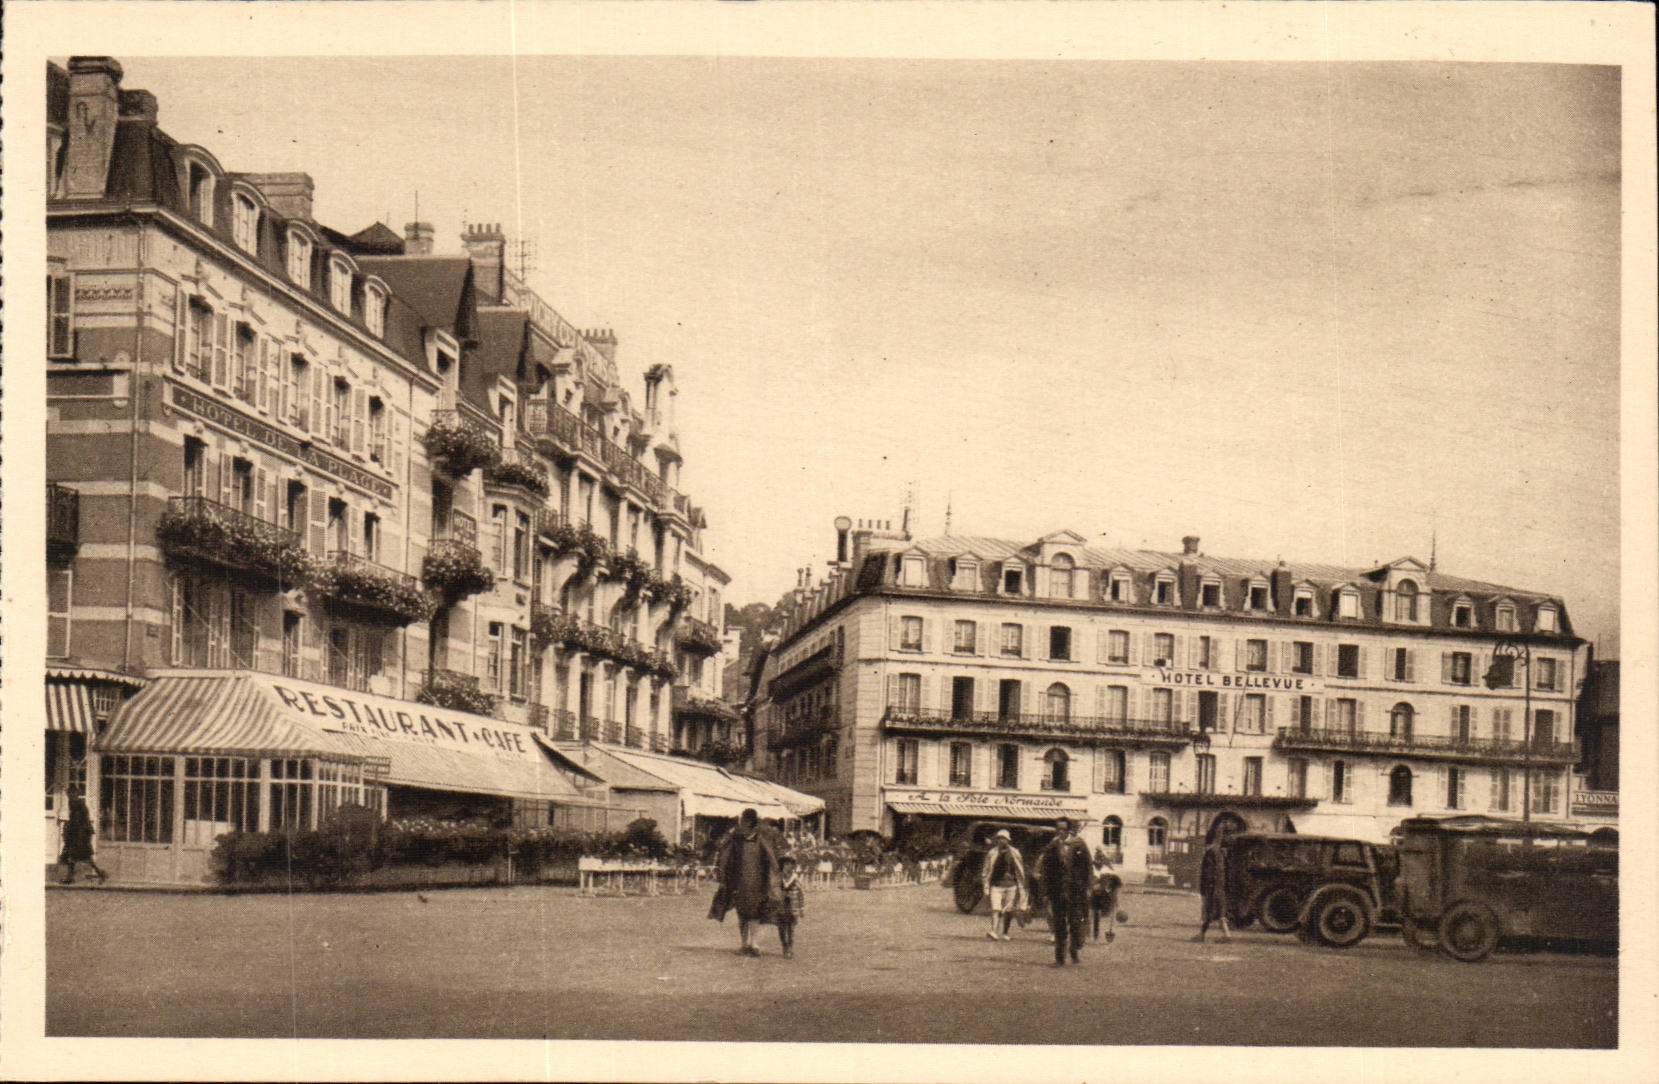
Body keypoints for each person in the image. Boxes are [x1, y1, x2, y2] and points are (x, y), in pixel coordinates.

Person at [712, 808, 783, 956]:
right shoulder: (736, 839)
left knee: (755, 912)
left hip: (757, 882)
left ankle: (754, 944)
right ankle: (744, 944)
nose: (741, 823)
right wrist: (723, 876)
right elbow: (724, 857)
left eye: (743, 821)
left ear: (749, 822)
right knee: (742, 913)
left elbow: (771, 859)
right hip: (738, 882)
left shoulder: (760, 839)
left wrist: (776, 877)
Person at [1035, 817, 1093, 965]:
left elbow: (1088, 867)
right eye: (1058, 829)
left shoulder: (1079, 844)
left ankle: (1074, 949)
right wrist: (1046, 891)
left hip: (1076, 891)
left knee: (1075, 923)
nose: (1060, 832)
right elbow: (1046, 869)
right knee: (1059, 924)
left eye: (1063, 829)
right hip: (1058, 891)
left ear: (1069, 830)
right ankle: (1059, 958)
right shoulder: (1053, 845)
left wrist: (1088, 887)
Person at [979, 829, 1026, 941]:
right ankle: (994, 931)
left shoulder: (1014, 852)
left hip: (1011, 885)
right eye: (999, 838)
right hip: (996, 884)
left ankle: (1005, 932)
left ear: (1008, 840)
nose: (1001, 840)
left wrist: (1022, 885)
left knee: (1008, 910)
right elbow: (986, 869)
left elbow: (1020, 868)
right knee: (996, 908)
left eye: (1003, 838)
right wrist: (985, 883)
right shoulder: (992, 853)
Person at [58, 788, 107, 885]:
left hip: (80, 835)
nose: (69, 796)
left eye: (71, 794)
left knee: (81, 857)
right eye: (68, 795)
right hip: (78, 835)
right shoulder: (76, 803)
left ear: (75, 794)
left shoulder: (76, 804)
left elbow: (78, 821)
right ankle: (70, 877)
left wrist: (70, 829)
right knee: (73, 856)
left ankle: (100, 874)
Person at [1195, 829, 1234, 944]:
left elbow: (1208, 873)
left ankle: (1224, 935)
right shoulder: (1220, 853)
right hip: (1220, 887)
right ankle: (1203, 934)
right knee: (1218, 912)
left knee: (1209, 912)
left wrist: (1204, 889)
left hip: (1212, 888)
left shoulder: (1210, 853)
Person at [1090, 847, 1123, 943]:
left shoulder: (1107, 869)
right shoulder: (1092, 867)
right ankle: (1095, 934)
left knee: (1105, 913)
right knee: (1095, 913)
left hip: (1106, 894)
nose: (1098, 861)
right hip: (1096, 893)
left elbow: (1116, 883)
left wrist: (1114, 897)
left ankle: (1106, 932)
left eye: (1100, 858)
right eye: (1096, 858)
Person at [775, 855, 806, 958]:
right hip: (781, 908)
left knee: (791, 929)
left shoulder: (796, 879)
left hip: (793, 908)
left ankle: (790, 948)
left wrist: (802, 908)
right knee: (781, 929)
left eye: (790, 865)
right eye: (786, 864)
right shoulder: (778, 879)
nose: (788, 867)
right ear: (782, 866)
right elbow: (774, 892)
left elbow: (801, 894)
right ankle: (784, 946)